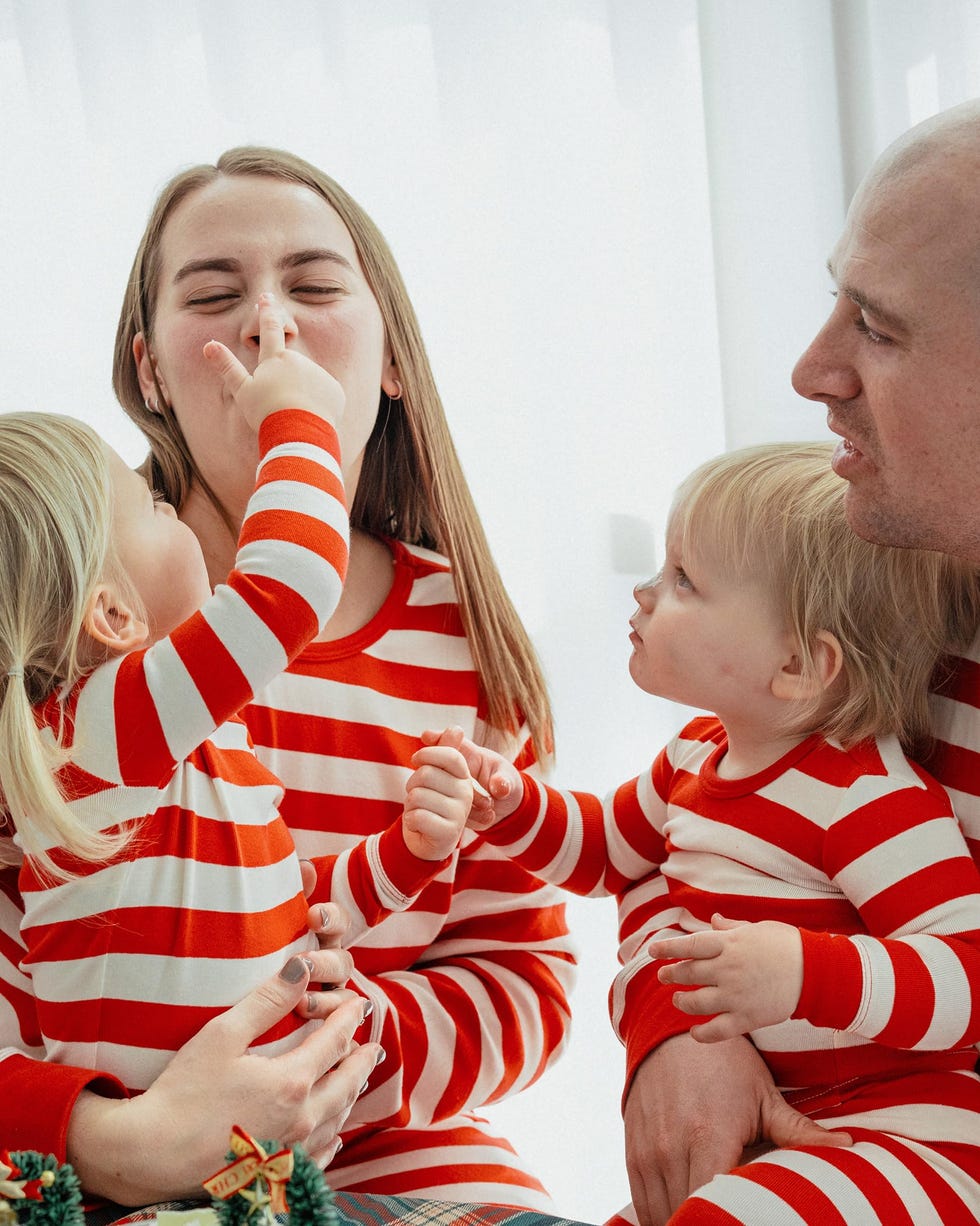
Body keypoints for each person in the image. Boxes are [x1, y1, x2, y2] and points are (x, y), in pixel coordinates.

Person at [0, 148, 573, 1211]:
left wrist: (321, 1053)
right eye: (217, 295)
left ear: (391, 360)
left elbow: (522, 977)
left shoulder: (466, 641)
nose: (270, 324)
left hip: (390, 1147)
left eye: (312, 286)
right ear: (154, 370)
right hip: (102, 1151)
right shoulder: (50, 606)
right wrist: (109, 1131)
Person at [433, 440, 980, 1224]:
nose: (647, 591)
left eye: (684, 579)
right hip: (804, 1129)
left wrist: (801, 972)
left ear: (797, 665)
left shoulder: (866, 798)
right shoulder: (698, 751)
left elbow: (968, 975)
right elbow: (610, 852)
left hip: (909, 1138)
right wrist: (514, 803)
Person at [620, 99, 980, 1226]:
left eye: (872, 325)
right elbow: (688, 840)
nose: (809, 368)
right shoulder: (897, 601)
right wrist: (674, 1033)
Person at [1, 297, 481, 1113]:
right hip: (173, 1173)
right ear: (115, 616)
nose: (169, 509)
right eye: (152, 511)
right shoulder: (102, 729)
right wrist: (296, 416)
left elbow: (285, 910)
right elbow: (292, 587)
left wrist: (409, 852)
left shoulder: (157, 762)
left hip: (243, 1164)